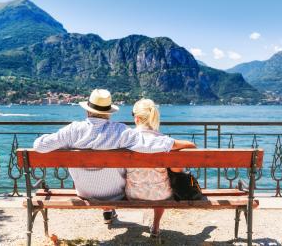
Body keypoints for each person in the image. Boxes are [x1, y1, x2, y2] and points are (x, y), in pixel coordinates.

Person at [33, 89, 195, 225]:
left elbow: (39, 146)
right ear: (108, 113)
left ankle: (108, 212)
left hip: (84, 192)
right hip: (115, 194)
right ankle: (109, 209)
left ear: (87, 110)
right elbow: (150, 144)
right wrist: (180, 143)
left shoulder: (72, 130)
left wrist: (62, 138)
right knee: (122, 174)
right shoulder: (120, 131)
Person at [125, 99, 193, 237]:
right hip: (161, 196)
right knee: (160, 183)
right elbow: (192, 146)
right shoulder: (164, 141)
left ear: (137, 118)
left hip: (132, 194)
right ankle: (156, 226)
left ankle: (108, 212)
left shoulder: (125, 138)